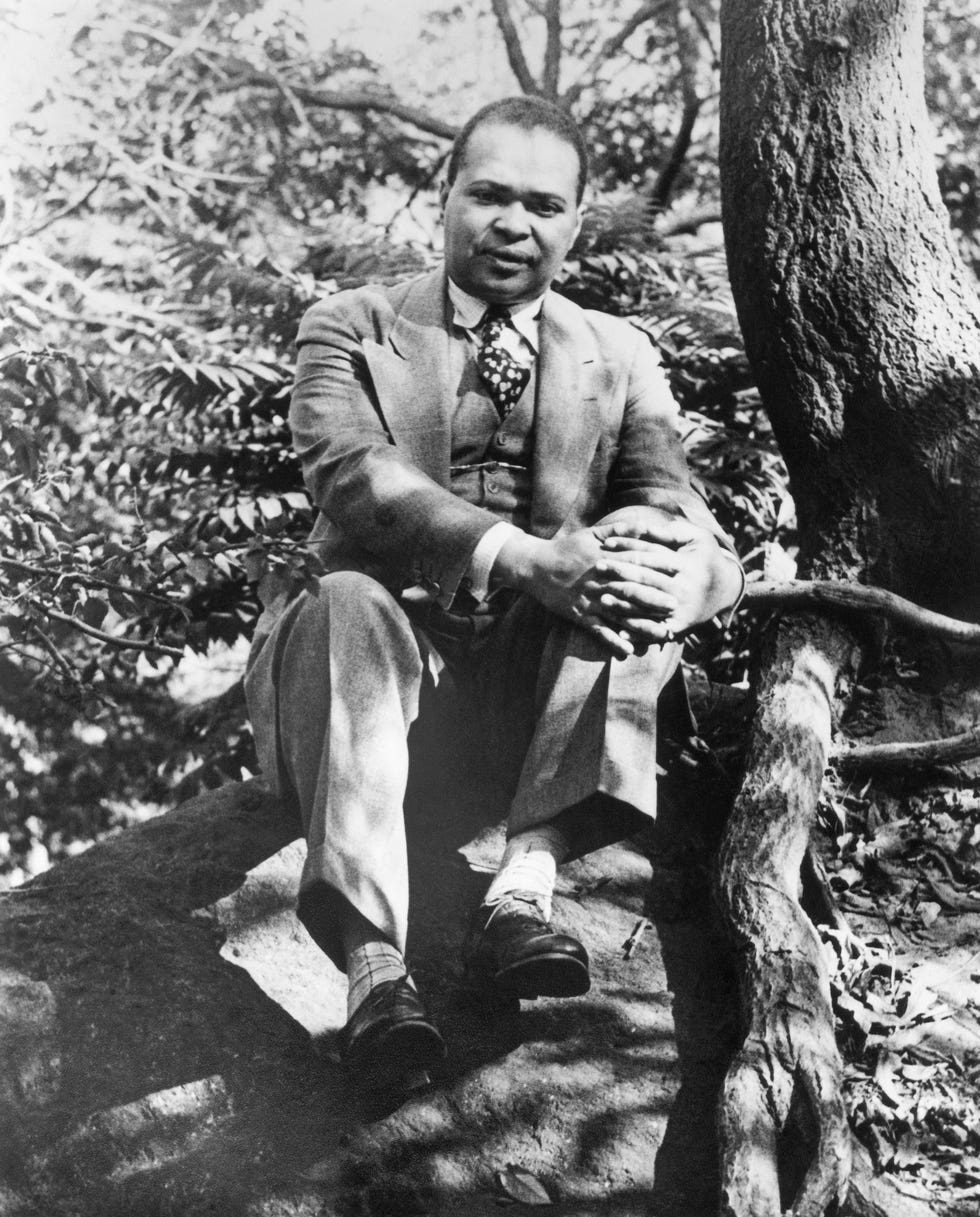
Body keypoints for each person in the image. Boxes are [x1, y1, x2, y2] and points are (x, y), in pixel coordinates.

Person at [244, 96, 743, 1086]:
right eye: (489, 195)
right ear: (444, 197)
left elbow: (669, 504)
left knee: (633, 577)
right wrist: (524, 556)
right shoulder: (351, 326)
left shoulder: (618, 351)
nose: (514, 223)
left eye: (543, 205)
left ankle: (524, 884)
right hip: (379, 678)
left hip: (529, 702)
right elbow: (353, 478)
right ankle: (372, 966)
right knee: (344, 597)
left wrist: (682, 578)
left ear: (574, 218)